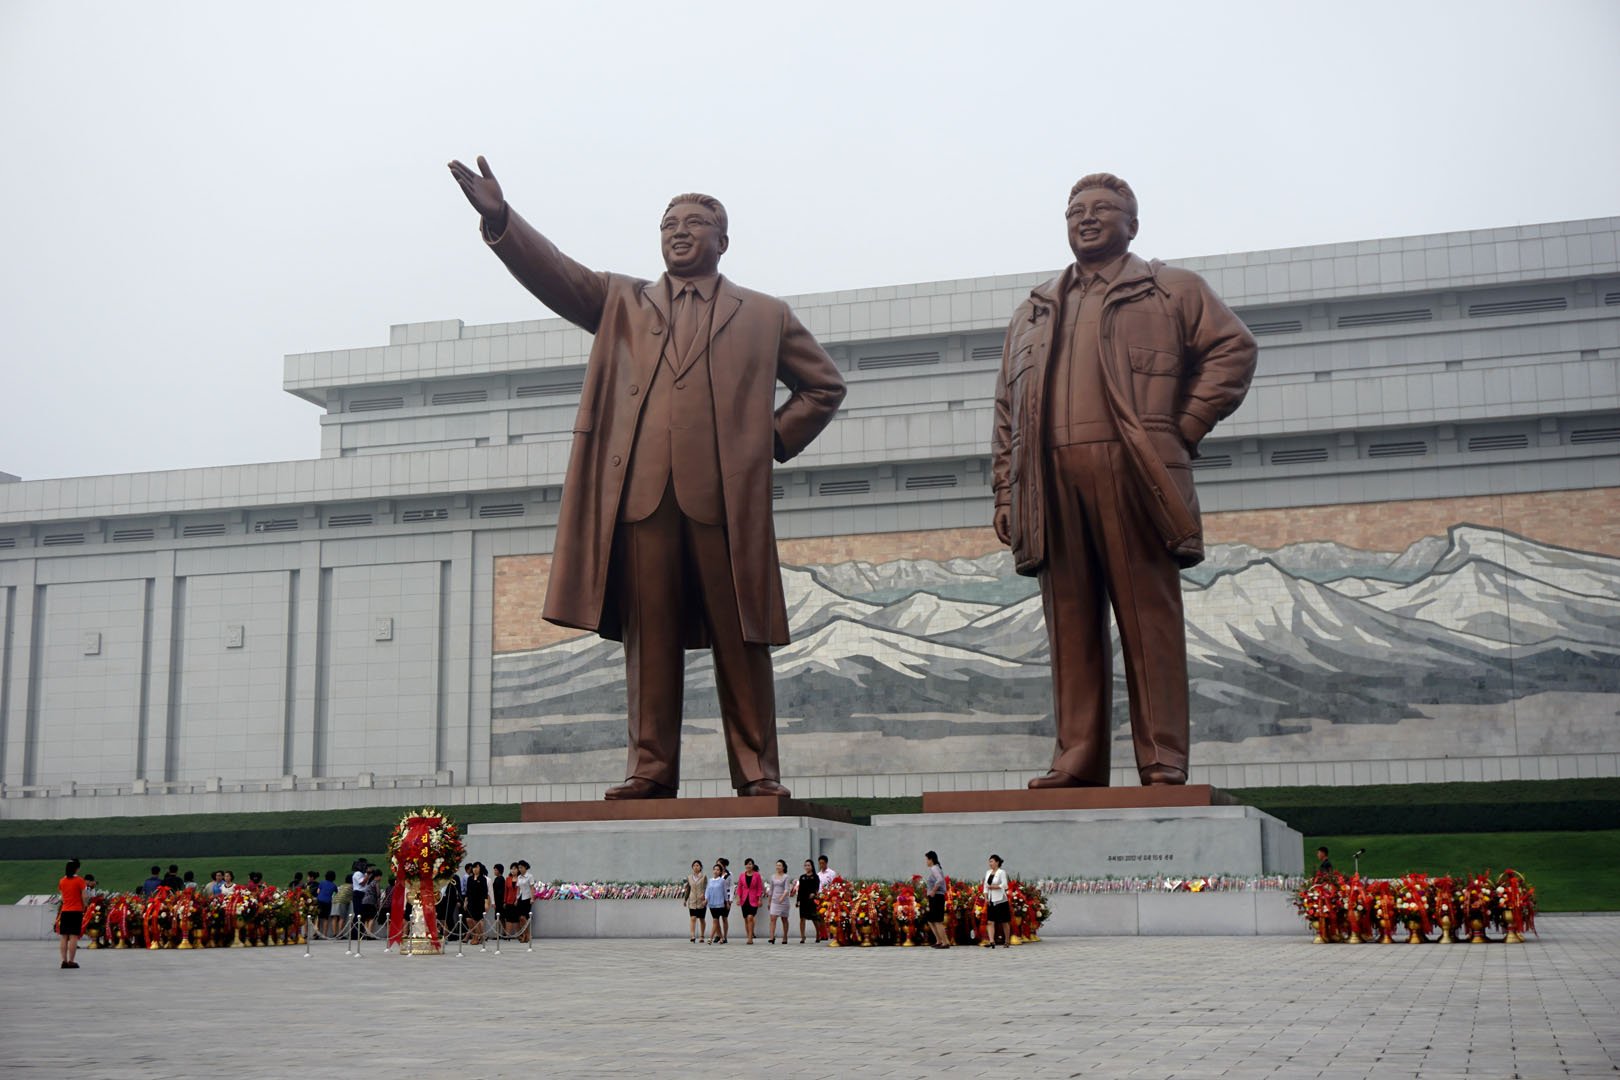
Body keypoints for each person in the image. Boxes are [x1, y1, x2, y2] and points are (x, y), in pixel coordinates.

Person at [448, 158, 846, 801]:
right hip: (641, 499)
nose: (679, 232)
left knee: (740, 637)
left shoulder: (764, 315)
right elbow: (555, 273)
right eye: (669, 224)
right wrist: (502, 220)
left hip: (722, 501)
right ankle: (650, 769)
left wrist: (766, 442)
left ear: (723, 240)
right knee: (649, 638)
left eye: (695, 223)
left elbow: (824, 385)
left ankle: (756, 770)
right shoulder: (622, 303)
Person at [992, 173, 1258, 788]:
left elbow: (1234, 351)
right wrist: (1008, 491)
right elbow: (1006, 412)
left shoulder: (1171, 291)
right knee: (1070, 625)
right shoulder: (1034, 310)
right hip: (1051, 484)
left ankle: (1162, 758)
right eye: (1075, 210)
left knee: (1149, 620)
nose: (1086, 218)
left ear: (1132, 225)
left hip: (1135, 474)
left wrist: (1182, 428)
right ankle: (1076, 759)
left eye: (1103, 209)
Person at [57, 859, 87, 969]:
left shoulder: (62, 881)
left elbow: (62, 897)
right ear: (76, 868)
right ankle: (71, 961)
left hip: (65, 911)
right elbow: (84, 896)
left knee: (64, 936)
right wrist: (84, 906)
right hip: (76, 910)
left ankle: (64, 961)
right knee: (73, 936)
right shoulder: (79, 880)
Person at [983, 855, 1011, 948]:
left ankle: (1007, 941)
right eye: (989, 862)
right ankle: (991, 941)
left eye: (991, 861)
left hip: (1000, 900)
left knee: (1004, 921)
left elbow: (1005, 885)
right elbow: (985, 886)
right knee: (990, 921)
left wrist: (995, 887)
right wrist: (986, 897)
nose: (990, 863)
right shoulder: (988, 872)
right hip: (991, 899)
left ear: (997, 862)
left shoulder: (1001, 872)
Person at [924, 851, 950, 949]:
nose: (926, 862)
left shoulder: (934, 868)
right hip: (935, 897)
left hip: (937, 897)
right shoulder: (935, 868)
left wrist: (933, 891)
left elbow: (939, 880)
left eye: (927, 859)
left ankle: (945, 942)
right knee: (931, 920)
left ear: (931, 859)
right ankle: (939, 940)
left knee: (937, 921)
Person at [735, 858, 765, 945]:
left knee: (750, 917)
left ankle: (750, 938)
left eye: (750, 864)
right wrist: (738, 898)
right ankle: (749, 935)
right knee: (745, 919)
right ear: (745, 865)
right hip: (744, 900)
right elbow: (739, 887)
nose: (748, 866)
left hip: (754, 899)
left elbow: (759, 888)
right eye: (747, 864)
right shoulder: (741, 875)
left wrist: (759, 899)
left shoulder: (757, 875)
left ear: (753, 865)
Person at [766, 860, 792, 945]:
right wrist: (769, 901)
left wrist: (782, 897)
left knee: (784, 919)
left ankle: (785, 936)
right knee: (773, 918)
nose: (778, 867)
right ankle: (771, 937)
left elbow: (787, 889)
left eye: (780, 865)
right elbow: (771, 889)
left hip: (784, 900)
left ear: (783, 867)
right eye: (777, 865)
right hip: (774, 900)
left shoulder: (786, 877)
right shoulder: (773, 877)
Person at [704, 863, 730, 944]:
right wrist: (706, 899)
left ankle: (710, 938)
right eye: (714, 869)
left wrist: (727, 902)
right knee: (716, 921)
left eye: (718, 870)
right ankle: (721, 938)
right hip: (711, 904)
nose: (716, 871)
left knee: (715, 920)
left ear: (720, 872)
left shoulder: (722, 881)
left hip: (719, 903)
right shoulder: (710, 880)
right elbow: (707, 891)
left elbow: (725, 892)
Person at [463, 863, 489, 945]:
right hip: (471, 901)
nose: (475, 869)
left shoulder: (483, 879)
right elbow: (468, 891)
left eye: (476, 867)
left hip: (479, 902)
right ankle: (480, 936)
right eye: (473, 868)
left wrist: (486, 903)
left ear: (480, 868)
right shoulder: (470, 878)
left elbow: (485, 892)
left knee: (476, 920)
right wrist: (465, 901)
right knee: (469, 919)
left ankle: (476, 937)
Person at [683, 860, 708, 944]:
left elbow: (707, 888)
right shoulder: (689, 877)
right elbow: (688, 889)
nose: (695, 867)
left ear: (700, 867)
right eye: (694, 865)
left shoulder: (704, 876)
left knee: (701, 919)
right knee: (693, 918)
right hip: (692, 900)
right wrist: (685, 899)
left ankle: (702, 936)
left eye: (697, 865)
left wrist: (705, 896)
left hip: (701, 901)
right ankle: (692, 936)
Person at [796, 859, 820, 945]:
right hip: (803, 899)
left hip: (812, 900)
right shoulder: (802, 877)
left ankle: (818, 934)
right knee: (802, 918)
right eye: (805, 865)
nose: (807, 867)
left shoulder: (815, 876)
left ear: (812, 866)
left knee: (814, 918)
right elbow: (800, 890)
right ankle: (802, 936)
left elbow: (817, 887)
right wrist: (798, 900)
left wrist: (813, 893)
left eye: (808, 865)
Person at [514, 861, 535, 944]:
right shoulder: (519, 877)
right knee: (520, 918)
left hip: (527, 898)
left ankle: (527, 934)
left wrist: (532, 898)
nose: (520, 869)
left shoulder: (530, 876)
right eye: (519, 868)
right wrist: (516, 899)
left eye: (521, 867)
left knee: (524, 917)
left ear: (525, 867)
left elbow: (532, 888)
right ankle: (524, 934)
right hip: (520, 898)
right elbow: (518, 889)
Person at [315, 870, 337, 936]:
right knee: (325, 918)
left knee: (317, 916)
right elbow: (335, 894)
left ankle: (316, 932)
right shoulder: (334, 886)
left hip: (319, 900)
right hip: (328, 902)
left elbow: (318, 892)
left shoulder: (322, 883)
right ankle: (324, 934)